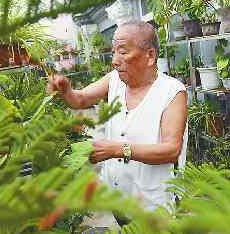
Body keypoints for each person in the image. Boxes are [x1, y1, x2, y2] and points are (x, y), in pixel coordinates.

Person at [47, 21, 188, 212]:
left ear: (150, 55)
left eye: (123, 52)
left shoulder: (172, 92)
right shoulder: (114, 80)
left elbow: (171, 150)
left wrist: (118, 150)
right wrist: (66, 90)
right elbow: (81, 100)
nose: (114, 60)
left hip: (154, 207)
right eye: (114, 52)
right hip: (118, 200)